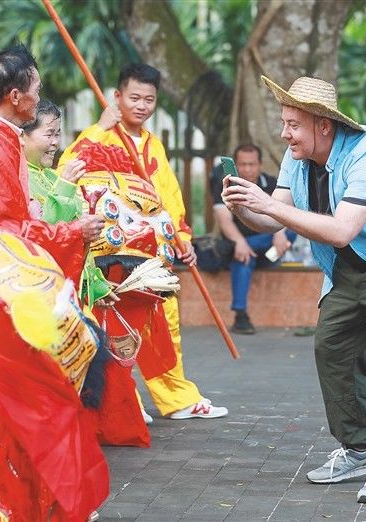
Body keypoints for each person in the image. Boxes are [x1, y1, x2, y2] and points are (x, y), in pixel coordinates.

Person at [222, 75, 366, 503]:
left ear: (323, 125)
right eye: (284, 122)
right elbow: (275, 219)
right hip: (349, 268)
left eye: (293, 124)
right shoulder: (297, 157)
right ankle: (358, 449)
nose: (284, 132)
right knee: (331, 348)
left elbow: (342, 230)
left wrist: (267, 203)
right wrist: (245, 205)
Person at [60, 63, 228, 421]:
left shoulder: (154, 145)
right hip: (112, 255)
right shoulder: (98, 135)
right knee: (116, 324)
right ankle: (124, 401)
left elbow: (169, 196)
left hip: (154, 253)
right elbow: (66, 171)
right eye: (133, 97)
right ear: (116, 97)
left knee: (164, 323)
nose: (141, 105)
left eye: (149, 99)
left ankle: (176, 397)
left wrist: (182, 237)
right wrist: (99, 129)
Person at [0, 44, 103, 278]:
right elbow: (2, 231)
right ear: (15, 96)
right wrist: (72, 232)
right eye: (36, 90)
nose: (38, 98)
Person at [210, 144, 292, 334]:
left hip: (270, 239)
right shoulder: (226, 185)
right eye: (242, 164)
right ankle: (241, 316)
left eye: (251, 164)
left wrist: (279, 234)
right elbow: (224, 221)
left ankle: (257, 252)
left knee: (291, 230)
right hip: (241, 243)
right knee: (245, 256)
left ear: (260, 164)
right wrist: (240, 242)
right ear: (236, 165)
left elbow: (284, 214)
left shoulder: (272, 183)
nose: (247, 169)